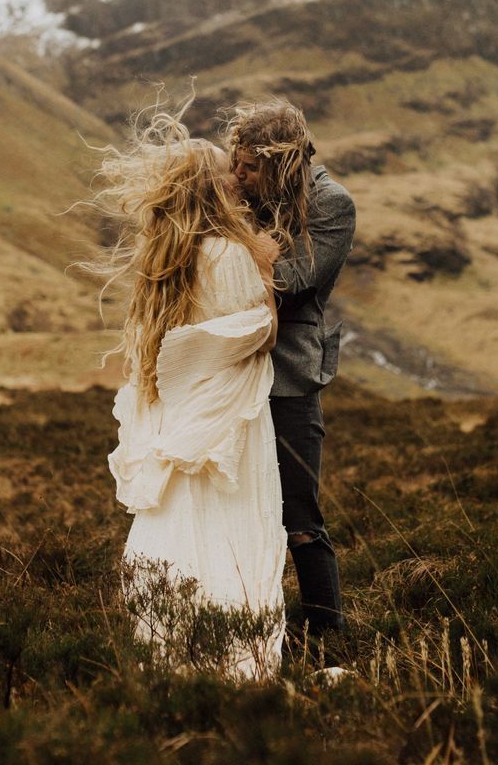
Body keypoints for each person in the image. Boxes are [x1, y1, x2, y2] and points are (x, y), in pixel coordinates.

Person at [98, 109, 287, 679]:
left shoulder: (170, 257)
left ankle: (168, 640)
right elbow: (259, 329)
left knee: (186, 515)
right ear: (211, 189)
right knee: (231, 519)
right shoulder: (227, 255)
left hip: (186, 410)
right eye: (229, 175)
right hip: (229, 416)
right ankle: (236, 654)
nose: (238, 181)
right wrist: (267, 268)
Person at [226, 101, 356, 639]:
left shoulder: (332, 204)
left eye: (248, 168)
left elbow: (292, 278)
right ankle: (242, 631)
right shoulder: (243, 194)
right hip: (228, 370)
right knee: (231, 511)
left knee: (300, 518)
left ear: (280, 165)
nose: (236, 177)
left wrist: (225, 243)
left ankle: (329, 640)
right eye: (235, 165)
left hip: (289, 379)